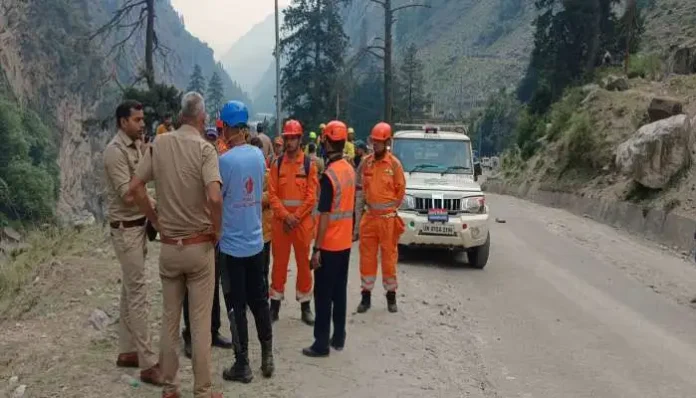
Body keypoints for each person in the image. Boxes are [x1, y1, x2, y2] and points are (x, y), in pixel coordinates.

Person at [127, 92, 223, 398]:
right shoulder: (205, 150)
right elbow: (215, 197)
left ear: (181, 115)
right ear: (202, 118)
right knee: (200, 323)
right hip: (199, 246)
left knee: (169, 320)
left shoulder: (160, 144)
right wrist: (216, 230)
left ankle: (170, 387)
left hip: (169, 247)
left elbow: (134, 188)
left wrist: (155, 219)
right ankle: (203, 390)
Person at [103, 100, 163, 386]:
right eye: (137, 120)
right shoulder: (114, 153)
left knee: (130, 289)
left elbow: (143, 186)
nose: (142, 124)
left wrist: (152, 209)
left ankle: (127, 351)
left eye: (142, 119)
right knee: (139, 293)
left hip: (139, 226)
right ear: (122, 122)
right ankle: (150, 363)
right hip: (126, 229)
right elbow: (129, 195)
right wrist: (154, 212)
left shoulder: (138, 146)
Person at [217, 101, 275, 383]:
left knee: (236, 306)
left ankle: (243, 364)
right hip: (256, 243)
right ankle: (267, 355)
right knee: (259, 302)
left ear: (229, 127)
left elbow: (219, 198)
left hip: (231, 246)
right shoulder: (257, 156)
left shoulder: (225, 161)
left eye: (223, 127)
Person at [303, 120, 355, 358]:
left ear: (326, 143)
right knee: (339, 292)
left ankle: (321, 343)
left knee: (323, 295)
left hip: (329, 244)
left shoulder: (329, 176)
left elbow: (324, 216)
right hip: (344, 245)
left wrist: (317, 249)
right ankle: (339, 337)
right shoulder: (349, 170)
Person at [180, 125, 233, 360]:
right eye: (208, 139)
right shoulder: (191, 168)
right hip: (194, 233)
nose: (211, 143)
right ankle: (190, 336)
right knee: (191, 288)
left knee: (213, 286)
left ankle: (213, 330)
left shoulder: (218, 166)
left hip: (213, 236)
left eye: (214, 139)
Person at [268, 119, 319, 325]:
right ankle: (274, 307)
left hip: (301, 223)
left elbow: (311, 196)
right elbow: (272, 195)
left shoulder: (308, 165)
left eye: (293, 139)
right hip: (282, 224)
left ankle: (305, 307)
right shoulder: (276, 164)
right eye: (287, 139)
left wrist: (295, 216)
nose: (289, 143)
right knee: (278, 265)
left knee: (303, 266)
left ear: (300, 139)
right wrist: (285, 215)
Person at [357, 122, 406, 314]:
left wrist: (391, 210)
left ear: (387, 143)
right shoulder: (366, 163)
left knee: (388, 259)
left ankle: (391, 297)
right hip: (369, 218)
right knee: (367, 259)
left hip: (387, 220)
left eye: (379, 142)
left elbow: (400, 191)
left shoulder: (394, 165)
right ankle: (365, 297)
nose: (375, 145)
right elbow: (360, 188)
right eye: (373, 141)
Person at [250, 136, 273, 298]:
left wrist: (253, 199)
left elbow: (272, 195)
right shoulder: (244, 174)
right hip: (248, 228)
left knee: (264, 266)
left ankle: (263, 294)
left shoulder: (268, 175)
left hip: (264, 229)